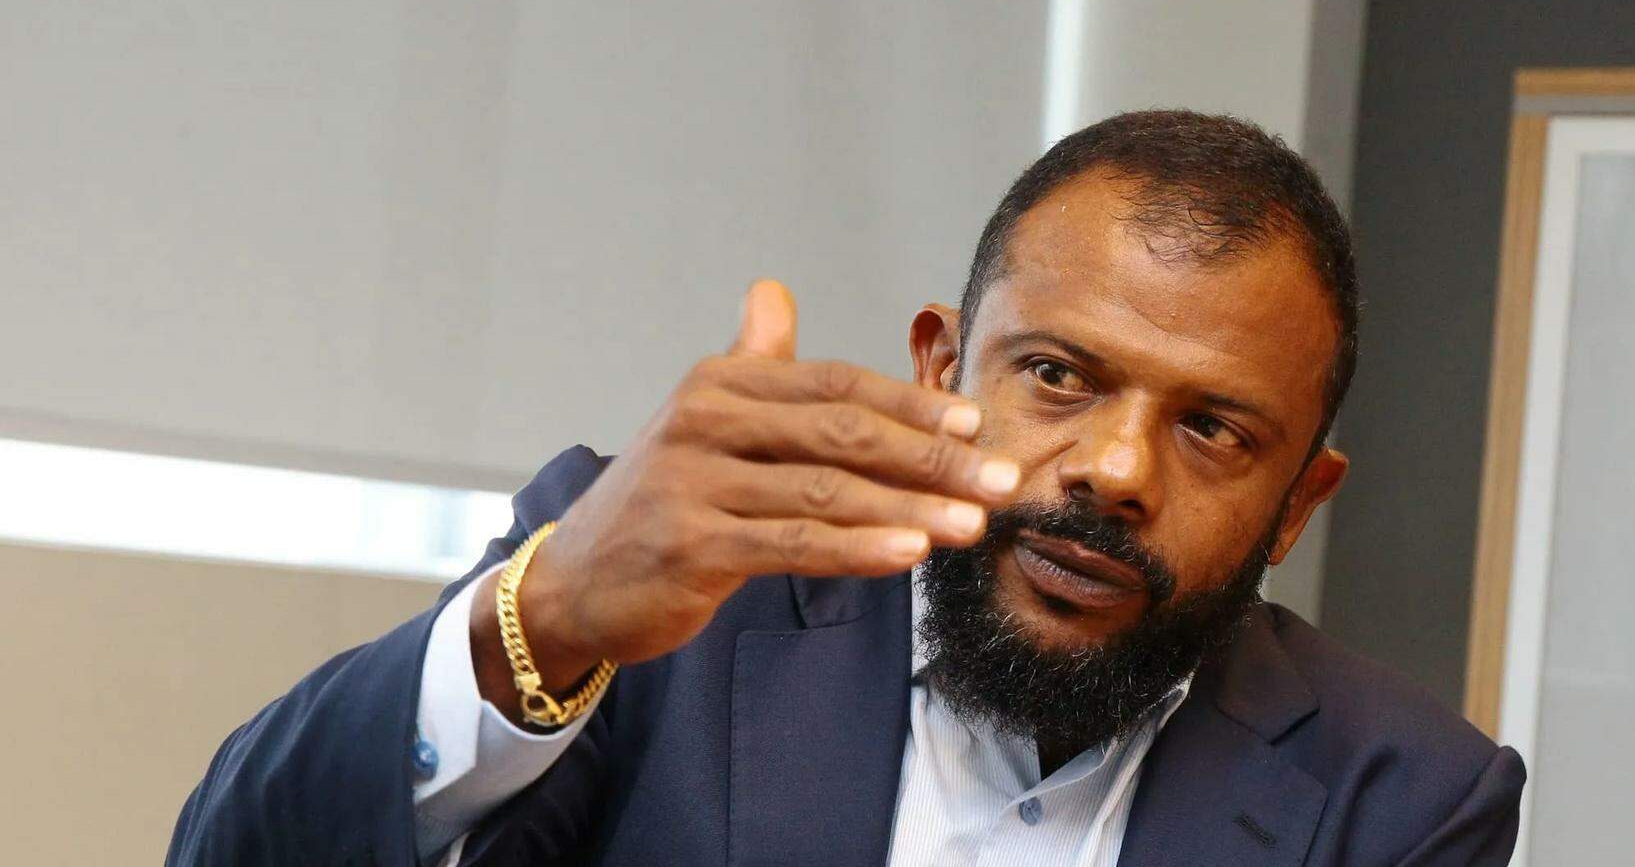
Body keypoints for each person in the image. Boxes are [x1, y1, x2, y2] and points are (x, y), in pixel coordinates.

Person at [167, 110, 1523, 866]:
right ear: (940, 364)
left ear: (1299, 501)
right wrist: (552, 615)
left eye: (1215, 430)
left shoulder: (1402, 801)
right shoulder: (665, 602)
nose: (1115, 471)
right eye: (1058, 375)